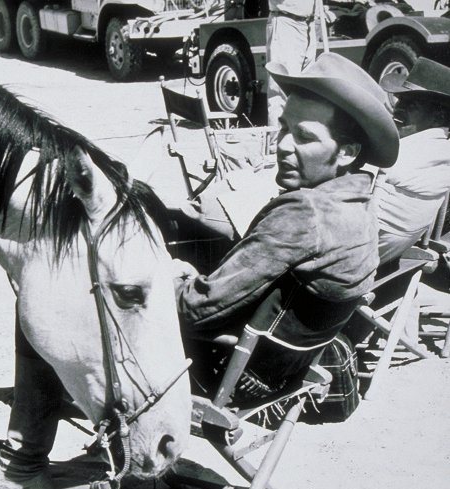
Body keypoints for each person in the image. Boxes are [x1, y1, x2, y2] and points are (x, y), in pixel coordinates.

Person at [175, 52, 399, 398]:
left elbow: (193, 311)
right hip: (285, 369)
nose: (282, 145)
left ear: (347, 152)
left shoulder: (303, 213)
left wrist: (174, 277)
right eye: (283, 128)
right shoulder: (362, 202)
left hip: (232, 375)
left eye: (304, 137)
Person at [374, 57, 450, 265]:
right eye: (399, 100)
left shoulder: (396, 156)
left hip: (356, 257)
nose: (397, 108)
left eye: (411, 104)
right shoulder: (440, 151)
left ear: (439, 115)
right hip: (386, 252)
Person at [266, 0, 317, 127]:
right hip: (286, 21)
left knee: (306, 91)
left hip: (308, 24)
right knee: (282, 92)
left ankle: (297, 142)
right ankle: (277, 146)